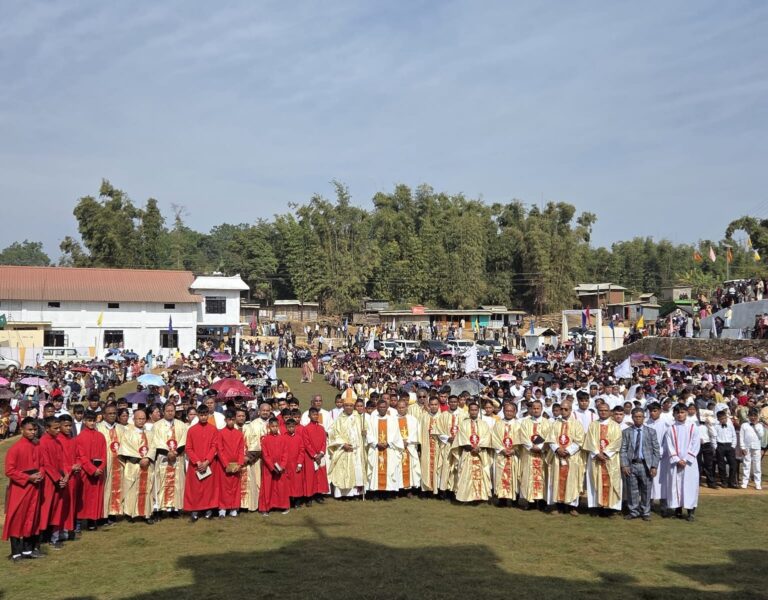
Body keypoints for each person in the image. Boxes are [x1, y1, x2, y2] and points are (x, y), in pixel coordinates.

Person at [3, 418, 44, 561]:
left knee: (31, 517)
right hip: (20, 490)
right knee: (16, 518)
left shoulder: (37, 447)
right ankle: (15, 552)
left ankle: (27, 550)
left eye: (34, 430)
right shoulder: (15, 448)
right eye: (29, 430)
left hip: (34, 489)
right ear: (22, 430)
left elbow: (42, 464)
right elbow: (9, 471)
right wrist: (28, 478)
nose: (33, 432)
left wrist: (40, 474)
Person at [545, 400, 585, 515]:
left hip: (571, 458)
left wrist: (567, 450)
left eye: (566, 409)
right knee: (558, 481)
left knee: (572, 481)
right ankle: (559, 506)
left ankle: (572, 507)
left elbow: (580, 440)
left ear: (570, 410)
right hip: (558, 458)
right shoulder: (555, 424)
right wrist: (557, 449)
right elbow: (551, 439)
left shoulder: (577, 424)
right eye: (561, 409)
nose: (563, 411)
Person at [620, 408, 660, 521]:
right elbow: (623, 449)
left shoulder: (651, 432)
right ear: (632, 418)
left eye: (640, 417)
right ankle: (633, 511)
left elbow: (656, 450)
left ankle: (645, 512)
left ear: (644, 418)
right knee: (632, 489)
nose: (638, 419)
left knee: (646, 489)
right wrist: (624, 465)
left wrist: (654, 466)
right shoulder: (626, 432)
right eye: (635, 417)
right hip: (631, 464)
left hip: (645, 465)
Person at [584, 403, 623, 516]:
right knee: (595, 481)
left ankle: (610, 508)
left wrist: (605, 453)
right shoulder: (593, 425)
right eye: (601, 410)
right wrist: (597, 453)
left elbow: (617, 441)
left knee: (610, 482)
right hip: (596, 459)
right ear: (598, 411)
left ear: (610, 411)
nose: (603, 412)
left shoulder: (615, 425)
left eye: (606, 410)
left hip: (610, 459)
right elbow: (589, 441)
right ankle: (597, 507)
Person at [184, 404, 220, 522]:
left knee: (208, 488)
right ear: (198, 415)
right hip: (196, 464)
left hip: (209, 463)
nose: (203, 417)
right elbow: (188, 448)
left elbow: (215, 446)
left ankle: (208, 509)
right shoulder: (191, 430)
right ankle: (194, 510)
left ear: (208, 415)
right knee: (195, 488)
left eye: (205, 415)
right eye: (201, 415)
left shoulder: (213, 429)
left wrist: (207, 461)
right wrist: (197, 461)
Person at [451, 402, 493, 503]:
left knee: (481, 475)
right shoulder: (464, 423)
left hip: (480, 453)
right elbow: (462, 437)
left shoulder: (484, 424)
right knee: (466, 475)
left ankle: (480, 497)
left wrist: (479, 447)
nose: (473, 412)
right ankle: (466, 496)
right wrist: (471, 448)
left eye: (475, 410)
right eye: (472, 410)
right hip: (468, 453)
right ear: (469, 411)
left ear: (478, 411)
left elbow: (487, 437)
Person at [665, 404, 701, 521]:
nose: (680, 415)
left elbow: (695, 444)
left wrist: (686, 459)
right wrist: (676, 459)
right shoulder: (671, 429)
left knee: (690, 485)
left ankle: (691, 511)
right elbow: (669, 445)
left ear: (686, 413)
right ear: (674, 414)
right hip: (676, 463)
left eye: (682, 412)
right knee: (676, 486)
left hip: (689, 463)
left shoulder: (693, 427)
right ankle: (678, 509)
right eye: (678, 412)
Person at [152, 401, 187, 518]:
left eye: (172, 411)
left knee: (177, 483)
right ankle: (160, 508)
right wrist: (167, 452)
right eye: (168, 411)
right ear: (163, 412)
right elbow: (155, 441)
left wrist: (175, 452)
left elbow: (184, 440)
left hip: (177, 458)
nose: (170, 413)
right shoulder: (156, 426)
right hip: (163, 459)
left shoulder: (181, 425)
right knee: (161, 483)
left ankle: (175, 508)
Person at [120, 408, 155, 524]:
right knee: (132, 490)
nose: (141, 421)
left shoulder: (150, 434)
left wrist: (147, 458)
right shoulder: (128, 434)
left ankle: (146, 514)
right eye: (138, 418)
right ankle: (131, 513)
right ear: (133, 419)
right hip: (134, 465)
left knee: (147, 489)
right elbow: (125, 449)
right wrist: (139, 460)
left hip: (147, 465)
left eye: (143, 418)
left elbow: (154, 447)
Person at [327, 396, 366, 498]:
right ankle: (343, 494)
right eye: (347, 405)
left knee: (357, 471)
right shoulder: (339, 419)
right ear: (343, 406)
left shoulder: (359, 417)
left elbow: (366, 431)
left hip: (357, 450)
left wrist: (364, 433)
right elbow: (334, 434)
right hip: (344, 449)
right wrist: (343, 444)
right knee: (344, 472)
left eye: (351, 405)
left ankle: (356, 493)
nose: (349, 407)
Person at [38, 416, 67, 548]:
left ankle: (54, 537)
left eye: (58, 428)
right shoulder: (43, 442)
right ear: (47, 429)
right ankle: (43, 537)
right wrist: (58, 478)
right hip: (49, 482)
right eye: (55, 428)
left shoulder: (58, 442)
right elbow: (46, 463)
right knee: (46, 509)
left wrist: (65, 476)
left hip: (58, 480)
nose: (58, 431)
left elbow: (62, 461)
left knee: (56, 508)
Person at [366, 398, 404, 499]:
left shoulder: (392, 419)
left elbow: (396, 434)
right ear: (377, 408)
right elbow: (368, 433)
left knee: (389, 470)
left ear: (387, 408)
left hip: (389, 449)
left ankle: (387, 493)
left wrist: (388, 443)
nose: (382, 409)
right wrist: (376, 443)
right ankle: (376, 492)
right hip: (376, 449)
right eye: (380, 407)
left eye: (384, 407)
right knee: (375, 470)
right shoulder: (372, 419)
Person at [75, 410, 107, 531]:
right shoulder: (80, 437)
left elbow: (104, 454)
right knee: (83, 496)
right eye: (89, 421)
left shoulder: (101, 436)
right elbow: (81, 456)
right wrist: (92, 469)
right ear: (84, 421)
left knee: (95, 497)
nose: (92, 423)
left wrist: (101, 468)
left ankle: (92, 520)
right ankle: (78, 521)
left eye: (93, 421)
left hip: (98, 472)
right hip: (86, 472)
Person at [516, 399, 551, 509]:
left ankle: (542, 502)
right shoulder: (525, 422)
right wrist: (531, 447)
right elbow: (523, 436)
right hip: (529, 454)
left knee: (543, 477)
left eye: (538, 408)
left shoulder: (547, 423)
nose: (535, 410)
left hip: (542, 455)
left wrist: (540, 447)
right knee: (529, 477)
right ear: (531, 409)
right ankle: (530, 502)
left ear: (541, 409)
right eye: (534, 408)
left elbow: (550, 437)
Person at [97, 402, 125, 524]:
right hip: (105, 463)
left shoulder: (121, 428)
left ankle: (113, 513)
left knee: (117, 488)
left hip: (119, 463)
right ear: (104, 415)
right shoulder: (99, 428)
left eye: (114, 413)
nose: (112, 416)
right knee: (105, 489)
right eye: (110, 413)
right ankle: (102, 514)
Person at [216, 410, 245, 518]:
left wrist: (240, 463)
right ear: (225, 420)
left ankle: (234, 507)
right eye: (229, 420)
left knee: (235, 486)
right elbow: (220, 449)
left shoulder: (239, 434)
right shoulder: (221, 433)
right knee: (223, 487)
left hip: (236, 463)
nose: (231, 422)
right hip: (224, 465)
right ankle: (222, 508)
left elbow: (241, 449)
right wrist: (225, 464)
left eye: (233, 420)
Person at [258, 417, 290, 515]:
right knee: (268, 487)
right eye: (272, 426)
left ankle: (283, 506)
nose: (274, 428)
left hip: (280, 468)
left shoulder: (283, 439)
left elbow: (285, 453)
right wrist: (272, 467)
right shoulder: (265, 440)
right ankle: (266, 508)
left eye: (276, 426)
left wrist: (282, 466)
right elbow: (265, 455)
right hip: (269, 469)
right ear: (269, 427)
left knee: (281, 487)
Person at [436, 395, 466, 497]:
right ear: (448, 403)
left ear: (458, 402)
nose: (453, 403)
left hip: (459, 446)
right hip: (447, 445)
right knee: (446, 466)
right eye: (451, 402)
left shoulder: (464, 415)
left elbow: (466, 430)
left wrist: (458, 439)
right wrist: (447, 438)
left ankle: (455, 490)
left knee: (457, 467)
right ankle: (444, 490)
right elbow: (438, 430)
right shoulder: (443, 415)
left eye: (455, 401)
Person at [57, 415, 81, 541]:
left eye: (69, 426)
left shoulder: (72, 440)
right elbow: (58, 461)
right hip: (64, 477)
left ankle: (70, 529)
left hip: (73, 477)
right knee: (63, 505)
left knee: (72, 504)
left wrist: (78, 464)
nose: (68, 428)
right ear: (59, 426)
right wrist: (70, 468)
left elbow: (78, 455)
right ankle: (62, 531)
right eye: (65, 426)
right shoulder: (58, 441)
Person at [491, 401, 519, 506]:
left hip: (514, 455)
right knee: (500, 476)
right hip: (501, 455)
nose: (509, 413)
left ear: (515, 412)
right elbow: (494, 438)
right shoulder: (498, 424)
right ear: (503, 411)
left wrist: (514, 450)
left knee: (515, 476)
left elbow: (521, 439)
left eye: (511, 411)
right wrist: (502, 449)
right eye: (507, 411)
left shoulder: (518, 425)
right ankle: (502, 500)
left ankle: (514, 500)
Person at [301, 407, 330, 504]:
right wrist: (314, 455)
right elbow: (306, 443)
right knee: (310, 477)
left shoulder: (322, 428)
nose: (315, 416)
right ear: (309, 416)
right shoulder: (306, 429)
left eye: (317, 414)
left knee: (320, 476)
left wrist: (321, 453)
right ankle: (309, 497)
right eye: (313, 414)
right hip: (311, 457)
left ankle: (319, 494)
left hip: (320, 456)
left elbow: (324, 442)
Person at [396, 399, 421, 495]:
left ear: (406, 408)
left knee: (411, 469)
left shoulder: (412, 419)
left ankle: (409, 489)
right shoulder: (393, 419)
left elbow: (416, 432)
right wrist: (400, 442)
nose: (401, 409)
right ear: (397, 408)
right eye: (399, 407)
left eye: (403, 407)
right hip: (398, 448)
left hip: (410, 447)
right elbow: (391, 433)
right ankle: (399, 489)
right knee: (398, 468)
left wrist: (408, 441)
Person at [418, 397, 442, 496]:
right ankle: (425, 490)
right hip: (426, 447)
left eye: (435, 404)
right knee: (425, 467)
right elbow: (419, 432)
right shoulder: (424, 417)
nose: (433, 406)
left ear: (438, 405)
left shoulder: (442, 417)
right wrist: (420, 446)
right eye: (431, 404)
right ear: (428, 406)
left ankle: (437, 490)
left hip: (438, 446)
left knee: (438, 468)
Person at [283, 418, 305, 508]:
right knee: (288, 484)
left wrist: (299, 464)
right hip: (287, 464)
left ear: (295, 427)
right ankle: (289, 501)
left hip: (296, 464)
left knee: (297, 484)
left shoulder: (299, 438)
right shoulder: (283, 437)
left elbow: (302, 451)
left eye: (292, 427)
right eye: (289, 427)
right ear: (286, 427)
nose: (291, 429)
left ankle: (297, 501)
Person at [739, 408, 764, 489]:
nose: (753, 418)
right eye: (751, 416)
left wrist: (756, 425)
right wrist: (742, 447)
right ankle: (744, 482)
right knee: (746, 464)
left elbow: (761, 436)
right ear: (748, 416)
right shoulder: (744, 425)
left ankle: (758, 483)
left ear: (757, 416)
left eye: (754, 416)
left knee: (757, 465)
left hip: (756, 447)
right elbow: (741, 437)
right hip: (747, 447)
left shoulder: (760, 425)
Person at [713, 409, 738, 488]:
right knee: (721, 465)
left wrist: (733, 446)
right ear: (718, 419)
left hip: (729, 446)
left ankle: (732, 482)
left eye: (725, 418)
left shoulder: (730, 426)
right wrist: (716, 447)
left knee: (733, 464)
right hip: (720, 446)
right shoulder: (716, 427)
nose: (723, 420)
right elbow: (714, 437)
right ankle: (724, 482)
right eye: (721, 418)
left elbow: (734, 436)